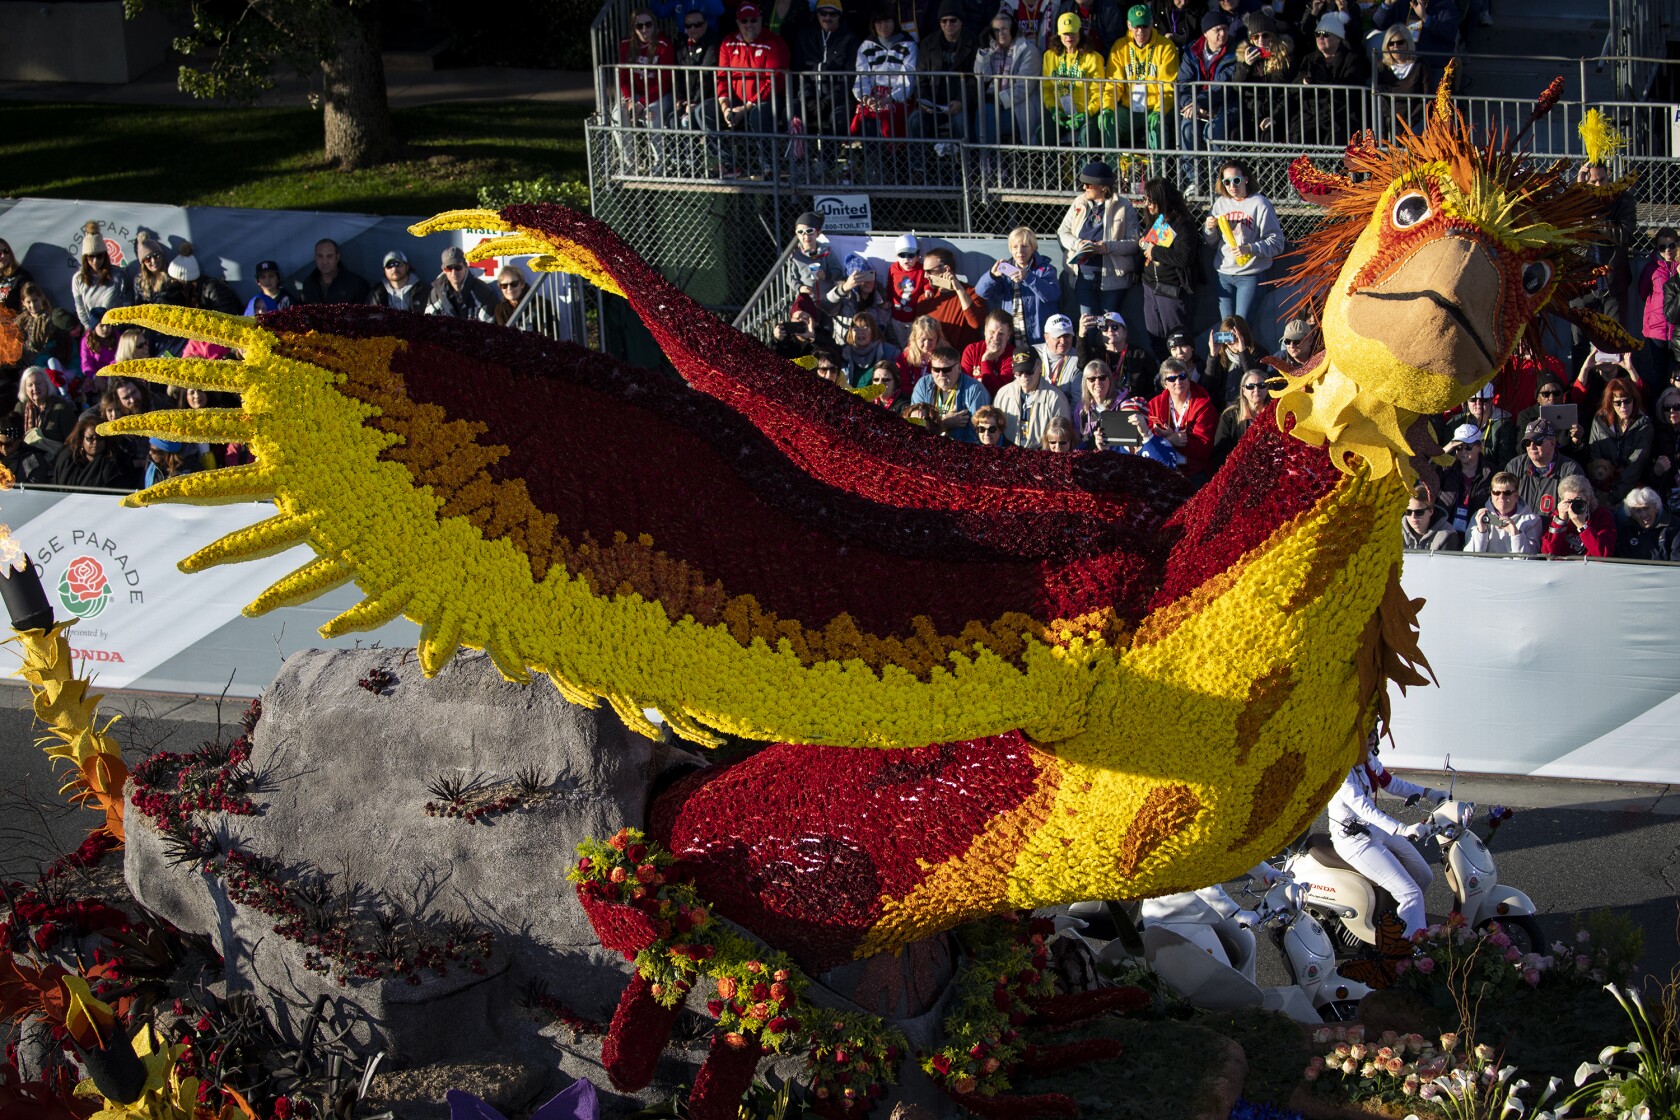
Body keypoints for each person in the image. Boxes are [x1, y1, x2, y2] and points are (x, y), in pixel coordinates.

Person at [1327, 730, 1446, 939]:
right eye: (1366, 733)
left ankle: (1397, 925)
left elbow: (1390, 783)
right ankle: (1408, 955)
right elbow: (1363, 807)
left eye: (1374, 730)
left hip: (1374, 828)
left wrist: (1429, 793)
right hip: (1354, 840)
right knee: (1411, 894)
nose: (1372, 737)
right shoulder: (1341, 772)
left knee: (1424, 876)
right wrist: (1403, 829)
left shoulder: (1366, 759)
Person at [707, 1, 791, 179]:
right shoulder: (728, 42)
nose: (749, 25)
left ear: (760, 20)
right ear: (738, 23)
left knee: (757, 114)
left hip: (769, 99)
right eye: (744, 21)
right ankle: (729, 162)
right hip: (736, 101)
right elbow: (722, 77)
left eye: (753, 20)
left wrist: (747, 107)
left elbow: (773, 81)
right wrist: (725, 107)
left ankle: (769, 164)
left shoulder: (774, 42)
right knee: (702, 111)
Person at [1203, 157, 1285, 331]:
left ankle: (1244, 357)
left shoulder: (1259, 204)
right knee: (1226, 328)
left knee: (1242, 327)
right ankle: (1226, 358)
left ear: (1246, 179)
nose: (1232, 186)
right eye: (1227, 182)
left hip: (1250, 274)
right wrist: (1209, 229)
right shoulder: (1220, 204)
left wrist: (1251, 248)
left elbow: (1277, 243)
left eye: (1236, 180)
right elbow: (1211, 243)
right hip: (1223, 272)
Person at [1569, 159, 1637, 370]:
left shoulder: (1622, 199)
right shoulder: (1580, 200)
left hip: (1611, 282)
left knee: (1612, 342)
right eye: (1594, 181)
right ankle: (1581, 388)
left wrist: (1597, 220)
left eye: (1603, 179)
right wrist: (1578, 191)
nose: (1599, 186)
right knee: (1579, 344)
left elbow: (1624, 235)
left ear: (1609, 176)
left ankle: (1614, 395)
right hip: (1582, 283)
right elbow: (1566, 224)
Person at [1056, 160, 1139, 318]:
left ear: (1102, 186)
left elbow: (1134, 243)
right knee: (1088, 323)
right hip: (1084, 273)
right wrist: (1078, 243)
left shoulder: (1124, 206)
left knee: (1109, 324)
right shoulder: (1079, 202)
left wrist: (1108, 247)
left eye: (1088, 184)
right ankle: (1089, 344)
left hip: (1112, 276)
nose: (1084, 188)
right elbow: (1062, 232)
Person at [851, 6, 917, 178]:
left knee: (890, 120)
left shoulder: (908, 44)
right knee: (866, 121)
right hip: (872, 96)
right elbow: (862, 76)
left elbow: (907, 79)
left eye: (887, 21)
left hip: (898, 98)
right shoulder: (866, 46)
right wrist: (865, 97)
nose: (883, 26)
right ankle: (874, 173)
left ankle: (895, 171)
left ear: (895, 23)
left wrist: (891, 98)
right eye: (879, 22)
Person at [1175, 11, 1237, 195]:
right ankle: (1194, 181)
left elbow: (1223, 85)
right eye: (1217, 30)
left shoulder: (1234, 52)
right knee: (1187, 128)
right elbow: (1183, 84)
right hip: (1197, 105)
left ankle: (1217, 182)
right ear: (1206, 33)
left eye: (1225, 29)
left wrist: (1199, 103)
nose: (1222, 34)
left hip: (1225, 104)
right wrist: (1190, 104)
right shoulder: (1191, 52)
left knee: (1213, 131)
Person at [1137, 176, 1199, 356]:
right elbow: (1150, 244)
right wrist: (1144, 242)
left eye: (1151, 199)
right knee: (1155, 338)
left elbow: (1184, 257)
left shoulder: (1183, 223)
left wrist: (1155, 252)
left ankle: (1180, 378)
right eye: (1145, 199)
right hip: (1150, 285)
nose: (1147, 204)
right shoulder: (1156, 219)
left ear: (1162, 198)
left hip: (1171, 288)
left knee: (1178, 341)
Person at [794, 0, 860, 159]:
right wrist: (809, 99)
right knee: (790, 114)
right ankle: (799, 161)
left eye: (833, 14)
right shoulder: (805, 36)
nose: (827, 18)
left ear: (840, 16)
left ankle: (827, 162)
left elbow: (848, 76)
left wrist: (827, 102)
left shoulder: (850, 39)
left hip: (837, 99)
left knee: (839, 120)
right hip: (809, 98)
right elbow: (798, 71)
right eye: (823, 13)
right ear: (817, 15)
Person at [614, 6, 676, 172]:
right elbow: (624, 78)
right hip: (635, 95)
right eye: (639, 26)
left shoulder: (664, 45)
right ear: (633, 28)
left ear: (654, 25)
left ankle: (660, 162)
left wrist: (641, 103)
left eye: (648, 24)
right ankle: (629, 162)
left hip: (659, 94)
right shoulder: (626, 45)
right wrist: (630, 100)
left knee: (651, 114)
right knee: (618, 113)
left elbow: (664, 82)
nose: (644, 29)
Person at [1108, 4, 1178, 149]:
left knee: (1158, 126)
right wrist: (1107, 107)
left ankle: (1159, 170)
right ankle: (1112, 168)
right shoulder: (1120, 47)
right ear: (1128, 25)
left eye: (1144, 26)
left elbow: (1168, 86)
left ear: (1151, 24)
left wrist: (1160, 110)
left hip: (1156, 107)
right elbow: (1113, 83)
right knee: (1108, 121)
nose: (1140, 31)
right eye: (1136, 26)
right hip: (1129, 108)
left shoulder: (1165, 46)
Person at [912, 0, 978, 153]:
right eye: (944, 21)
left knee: (961, 123)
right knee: (915, 120)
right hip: (934, 104)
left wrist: (961, 102)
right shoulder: (928, 44)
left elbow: (976, 79)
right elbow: (920, 78)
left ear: (961, 21)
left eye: (953, 20)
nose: (948, 24)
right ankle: (919, 168)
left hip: (960, 105)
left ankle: (970, 166)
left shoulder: (974, 42)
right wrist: (925, 102)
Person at [975, 227, 1060, 344]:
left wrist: (1028, 277)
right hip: (1012, 334)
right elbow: (981, 292)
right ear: (1010, 249)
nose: (1019, 251)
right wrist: (992, 275)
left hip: (1038, 334)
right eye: (1015, 247)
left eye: (1024, 246)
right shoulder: (1005, 270)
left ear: (1033, 248)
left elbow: (1052, 295)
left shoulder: (1045, 269)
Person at [1041, 12, 1113, 148]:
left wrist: (1087, 113)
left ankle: (1085, 167)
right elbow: (1047, 89)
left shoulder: (1093, 58)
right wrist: (1053, 110)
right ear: (1059, 34)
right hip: (1061, 112)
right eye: (1065, 33)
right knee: (1045, 132)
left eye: (1073, 32)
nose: (1069, 37)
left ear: (1080, 33)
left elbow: (1098, 92)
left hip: (1085, 113)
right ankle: (1051, 168)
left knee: (1087, 133)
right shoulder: (1049, 57)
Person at [1297, 11, 1368, 148]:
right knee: (1299, 136)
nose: (1320, 38)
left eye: (1326, 34)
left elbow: (1352, 87)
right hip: (1311, 115)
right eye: (1318, 34)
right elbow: (1295, 84)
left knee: (1335, 142)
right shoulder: (1310, 59)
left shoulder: (1352, 59)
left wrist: (1325, 82)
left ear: (1338, 38)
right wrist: (1305, 82)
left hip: (1340, 116)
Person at [973, 10, 1043, 147]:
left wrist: (999, 100)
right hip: (995, 106)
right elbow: (982, 77)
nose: (1001, 33)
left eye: (1004, 28)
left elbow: (1024, 87)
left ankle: (989, 162)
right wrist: (983, 50)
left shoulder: (1029, 50)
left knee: (985, 115)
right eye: (997, 30)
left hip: (1021, 110)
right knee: (982, 113)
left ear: (1013, 29)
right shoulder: (993, 49)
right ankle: (989, 161)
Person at [1230, 12, 1297, 145]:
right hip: (1252, 116)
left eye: (1265, 35)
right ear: (1251, 39)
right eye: (1256, 37)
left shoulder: (1285, 59)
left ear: (1273, 36)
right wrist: (1246, 66)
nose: (1261, 41)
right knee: (1236, 135)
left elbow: (1290, 93)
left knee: (1268, 136)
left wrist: (1274, 116)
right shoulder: (1244, 58)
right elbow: (1236, 86)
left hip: (1278, 115)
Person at [1587, 375, 1654, 502]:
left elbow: (1636, 465)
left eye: (1627, 401)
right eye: (1617, 402)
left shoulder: (1644, 425)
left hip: (1631, 487)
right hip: (1601, 485)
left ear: (1634, 400)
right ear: (1610, 403)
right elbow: (1595, 457)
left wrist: (1614, 495)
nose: (1623, 407)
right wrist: (1602, 490)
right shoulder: (1600, 421)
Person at [1147, 356, 1215, 478]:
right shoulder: (1154, 405)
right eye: (1172, 379)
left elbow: (1204, 449)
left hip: (1194, 470)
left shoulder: (1203, 406)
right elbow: (1149, 440)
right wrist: (1170, 440)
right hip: (1163, 467)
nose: (1178, 382)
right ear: (1164, 384)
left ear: (1189, 379)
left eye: (1182, 377)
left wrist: (1182, 442)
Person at [993, 347, 1073, 448]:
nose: (1024, 377)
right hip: (1009, 451)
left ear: (1040, 367)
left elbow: (1064, 439)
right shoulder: (1003, 394)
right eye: (1019, 372)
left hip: (1042, 454)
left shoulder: (1056, 398)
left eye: (1029, 371)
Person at [1505, 418, 1584, 518]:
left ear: (1552, 443)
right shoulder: (1514, 466)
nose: (1532, 447)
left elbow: (1576, 513)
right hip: (1520, 530)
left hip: (1553, 530)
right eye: (1527, 442)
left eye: (1537, 442)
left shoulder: (1570, 470)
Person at [910, 344, 990, 440]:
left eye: (946, 370)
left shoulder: (975, 390)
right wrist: (943, 423)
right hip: (928, 446)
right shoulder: (923, 385)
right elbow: (916, 426)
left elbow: (977, 434)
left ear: (959, 368)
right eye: (936, 370)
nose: (941, 374)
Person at [1434, 421, 1497, 537]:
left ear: (1480, 446)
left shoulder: (1491, 473)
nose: (1463, 451)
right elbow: (1423, 470)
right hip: (1445, 532)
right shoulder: (1445, 468)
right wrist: (1446, 448)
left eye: (1468, 447)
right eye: (1458, 447)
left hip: (1478, 532)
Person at [916, 247, 987, 350]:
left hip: (961, 360)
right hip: (934, 359)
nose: (926, 276)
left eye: (930, 271)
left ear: (946, 269)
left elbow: (975, 323)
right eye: (924, 271)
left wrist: (958, 289)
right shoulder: (926, 298)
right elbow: (918, 335)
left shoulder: (971, 293)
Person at [71, 222, 133, 332]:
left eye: (99, 256)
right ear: (85, 258)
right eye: (91, 256)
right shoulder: (78, 279)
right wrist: (89, 328)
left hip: (117, 330)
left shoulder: (119, 275)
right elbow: (80, 308)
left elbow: (127, 305)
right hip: (92, 331)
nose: (95, 261)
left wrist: (118, 328)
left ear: (105, 255)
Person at [1078, 311, 1154, 400]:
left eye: (1115, 327)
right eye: (1105, 328)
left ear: (1125, 332)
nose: (1110, 331)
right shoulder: (1097, 354)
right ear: (1101, 335)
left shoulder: (1140, 354)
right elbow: (1083, 364)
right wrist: (1082, 334)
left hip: (1133, 405)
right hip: (1104, 403)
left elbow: (1153, 384)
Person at [1637, 228, 1678, 389]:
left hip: (1677, 329)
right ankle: (1658, 409)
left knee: (1676, 373)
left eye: (1671, 245)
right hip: (1657, 328)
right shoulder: (1651, 269)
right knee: (1658, 373)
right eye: (1662, 247)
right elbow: (1643, 292)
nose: (1668, 250)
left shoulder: (1679, 268)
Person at [1464, 471, 1543, 555]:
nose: (1501, 497)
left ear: (1516, 496)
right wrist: (1481, 532)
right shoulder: (1479, 517)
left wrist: (1516, 534)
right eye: (1496, 493)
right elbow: (1470, 557)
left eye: (1507, 493)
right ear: (1491, 494)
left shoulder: (1532, 521)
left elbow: (1528, 560)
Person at [52, 414, 136, 490]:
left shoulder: (118, 461)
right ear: (81, 439)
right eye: (90, 438)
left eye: (100, 438)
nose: (95, 442)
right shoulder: (68, 459)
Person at [825, 252, 893, 343]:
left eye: (870, 275)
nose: (869, 282)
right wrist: (845, 288)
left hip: (873, 349)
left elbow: (889, 331)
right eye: (862, 278)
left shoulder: (881, 299)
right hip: (845, 349)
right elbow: (825, 305)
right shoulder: (844, 297)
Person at [11, 283, 77, 378]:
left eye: (35, 300)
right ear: (23, 303)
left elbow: (52, 347)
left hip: (46, 367)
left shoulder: (49, 320)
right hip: (25, 368)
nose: (33, 305)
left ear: (41, 298)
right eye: (29, 302)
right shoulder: (20, 321)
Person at [1541, 474, 1615, 558]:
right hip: (1563, 567)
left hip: (1590, 567)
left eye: (1578, 501)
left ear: (1588, 500)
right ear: (1562, 501)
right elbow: (1548, 553)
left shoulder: (1602, 516)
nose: (1573, 506)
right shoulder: (1559, 515)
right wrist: (1560, 522)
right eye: (1569, 501)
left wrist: (1582, 525)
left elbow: (1603, 554)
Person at [1368, 0, 1458, 64]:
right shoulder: (1403, 3)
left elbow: (1450, 33)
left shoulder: (1446, 5)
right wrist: (1387, 5)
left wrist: (1426, 18)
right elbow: (1378, 24)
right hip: (1403, 62)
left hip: (1432, 63)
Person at [785, 212, 846, 304]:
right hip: (806, 300)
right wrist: (800, 288)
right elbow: (790, 278)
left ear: (818, 233)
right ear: (797, 235)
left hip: (827, 299)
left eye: (810, 231)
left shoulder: (826, 252)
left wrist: (826, 275)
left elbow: (838, 271)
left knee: (826, 317)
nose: (806, 236)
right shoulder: (795, 255)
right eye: (801, 232)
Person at [1200, 314, 1262, 404]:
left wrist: (1243, 352)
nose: (1232, 342)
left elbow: (1254, 379)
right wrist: (1213, 356)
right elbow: (1207, 387)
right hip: (1224, 409)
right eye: (1228, 337)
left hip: (1248, 405)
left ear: (1244, 335)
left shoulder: (1259, 354)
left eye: (1235, 337)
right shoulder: (1221, 356)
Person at [1211, 368, 1267, 466]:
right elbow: (1220, 453)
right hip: (1239, 470)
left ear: (1268, 388)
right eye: (1250, 386)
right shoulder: (1230, 416)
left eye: (1261, 385)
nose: (1256, 390)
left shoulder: (1277, 413)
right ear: (1243, 390)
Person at [425, 247, 498, 321]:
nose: (454, 273)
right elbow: (428, 323)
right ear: (443, 270)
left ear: (466, 266)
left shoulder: (483, 293)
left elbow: (489, 328)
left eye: (458, 267)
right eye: (449, 268)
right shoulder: (436, 293)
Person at [15, 367, 78, 451]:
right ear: (25, 389)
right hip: (28, 457)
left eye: (39, 383)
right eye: (30, 385)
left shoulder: (61, 407)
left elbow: (72, 439)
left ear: (47, 384)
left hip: (54, 457)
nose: (35, 388)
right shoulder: (20, 407)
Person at [167, 244, 241, 314]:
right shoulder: (188, 294)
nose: (172, 283)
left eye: (175, 281)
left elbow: (225, 318)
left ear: (189, 282)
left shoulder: (213, 289)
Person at [885, 233, 930, 344]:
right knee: (901, 343)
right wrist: (888, 299)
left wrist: (929, 289)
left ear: (918, 255)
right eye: (902, 255)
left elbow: (927, 282)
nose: (906, 259)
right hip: (896, 316)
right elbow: (890, 286)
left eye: (910, 255)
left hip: (914, 318)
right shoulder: (893, 268)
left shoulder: (921, 269)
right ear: (897, 256)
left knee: (913, 343)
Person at [961, 309, 1018, 393]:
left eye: (1001, 334)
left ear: (1008, 335)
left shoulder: (1013, 355)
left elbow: (996, 391)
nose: (995, 338)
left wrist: (985, 361)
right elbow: (965, 386)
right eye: (992, 332)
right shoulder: (972, 350)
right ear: (985, 331)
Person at [296, 238, 370, 305]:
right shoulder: (309, 283)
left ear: (337, 257)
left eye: (329, 256)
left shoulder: (357, 285)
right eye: (320, 256)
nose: (324, 261)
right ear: (315, 258)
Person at [1074, 358, 1125, 448]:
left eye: (1102, 378)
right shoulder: (1080, 408)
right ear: (1085, 383)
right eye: (1092, 379)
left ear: (1109, 379)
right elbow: (1077, 441)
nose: (1097, 382)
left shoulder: (1123, 405)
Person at [1036, 313, 1084, 402]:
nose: (1063, 341)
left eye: (1067, 336)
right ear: (1046, 337)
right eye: (1058, 336)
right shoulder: (1033, 353)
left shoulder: (1078, 359)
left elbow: (1078, 401)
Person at [841, 313, 900, 385]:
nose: (860, 332)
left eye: (865, 328)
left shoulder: (890, 353)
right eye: (856, 328)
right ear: (850, 332)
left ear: (873, 331)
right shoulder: (842, 353)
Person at [1374, 24, 1427, 101]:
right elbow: (1381, 100)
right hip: (1389, 113)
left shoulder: (1421, 64)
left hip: (1416, 112)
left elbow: (1426, 97)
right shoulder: (1381, 66)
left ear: (1408, 43)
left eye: (1400, 42)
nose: (1396, 46)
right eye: (1391, 43)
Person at [1400, 483, 1460, 550]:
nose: (1413, 516)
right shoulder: (1396, 531)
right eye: (1408, 512)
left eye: (1419, 512)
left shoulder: (1447, 536)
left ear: (1431, 511)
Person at [1649, 386, 1680, 511]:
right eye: (1667, 408)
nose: (1672, 411)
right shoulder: (1655, 434)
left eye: (1677, 406)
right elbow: (1645, 473)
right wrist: (1656, 471)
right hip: (1664, 496)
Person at [363, 249, 423, 314]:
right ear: (384, 270)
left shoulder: (421, 290)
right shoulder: (376, 293)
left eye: (398, 264)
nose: (394, 268)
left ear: (407, 266)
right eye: (389, 265)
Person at [1613, 487, 1665, 561]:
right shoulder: (1624, 530)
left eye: (1646, 508)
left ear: (1656, 508)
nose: (1643, 514)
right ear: (1632, 514)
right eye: (1638, 511)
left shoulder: (1673, 527)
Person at [896, 314, 948, 386]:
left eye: (931, 339)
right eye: (923, 339)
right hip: (910, 395)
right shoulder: (906, 356)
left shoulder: (946, 356)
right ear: (915, 338)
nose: (927, 344)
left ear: (937, 338)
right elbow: (903, 383)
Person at [0, 415, 51, 484]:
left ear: (19, 440)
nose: (3, 448)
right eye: (0, 443)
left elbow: (33, 492)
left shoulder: (33, 461)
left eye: (8, 444)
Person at [0, 238, 34, 311]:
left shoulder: (21, 275)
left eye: (6, 251)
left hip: (15, 320)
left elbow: (32, 302)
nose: (3, 256)